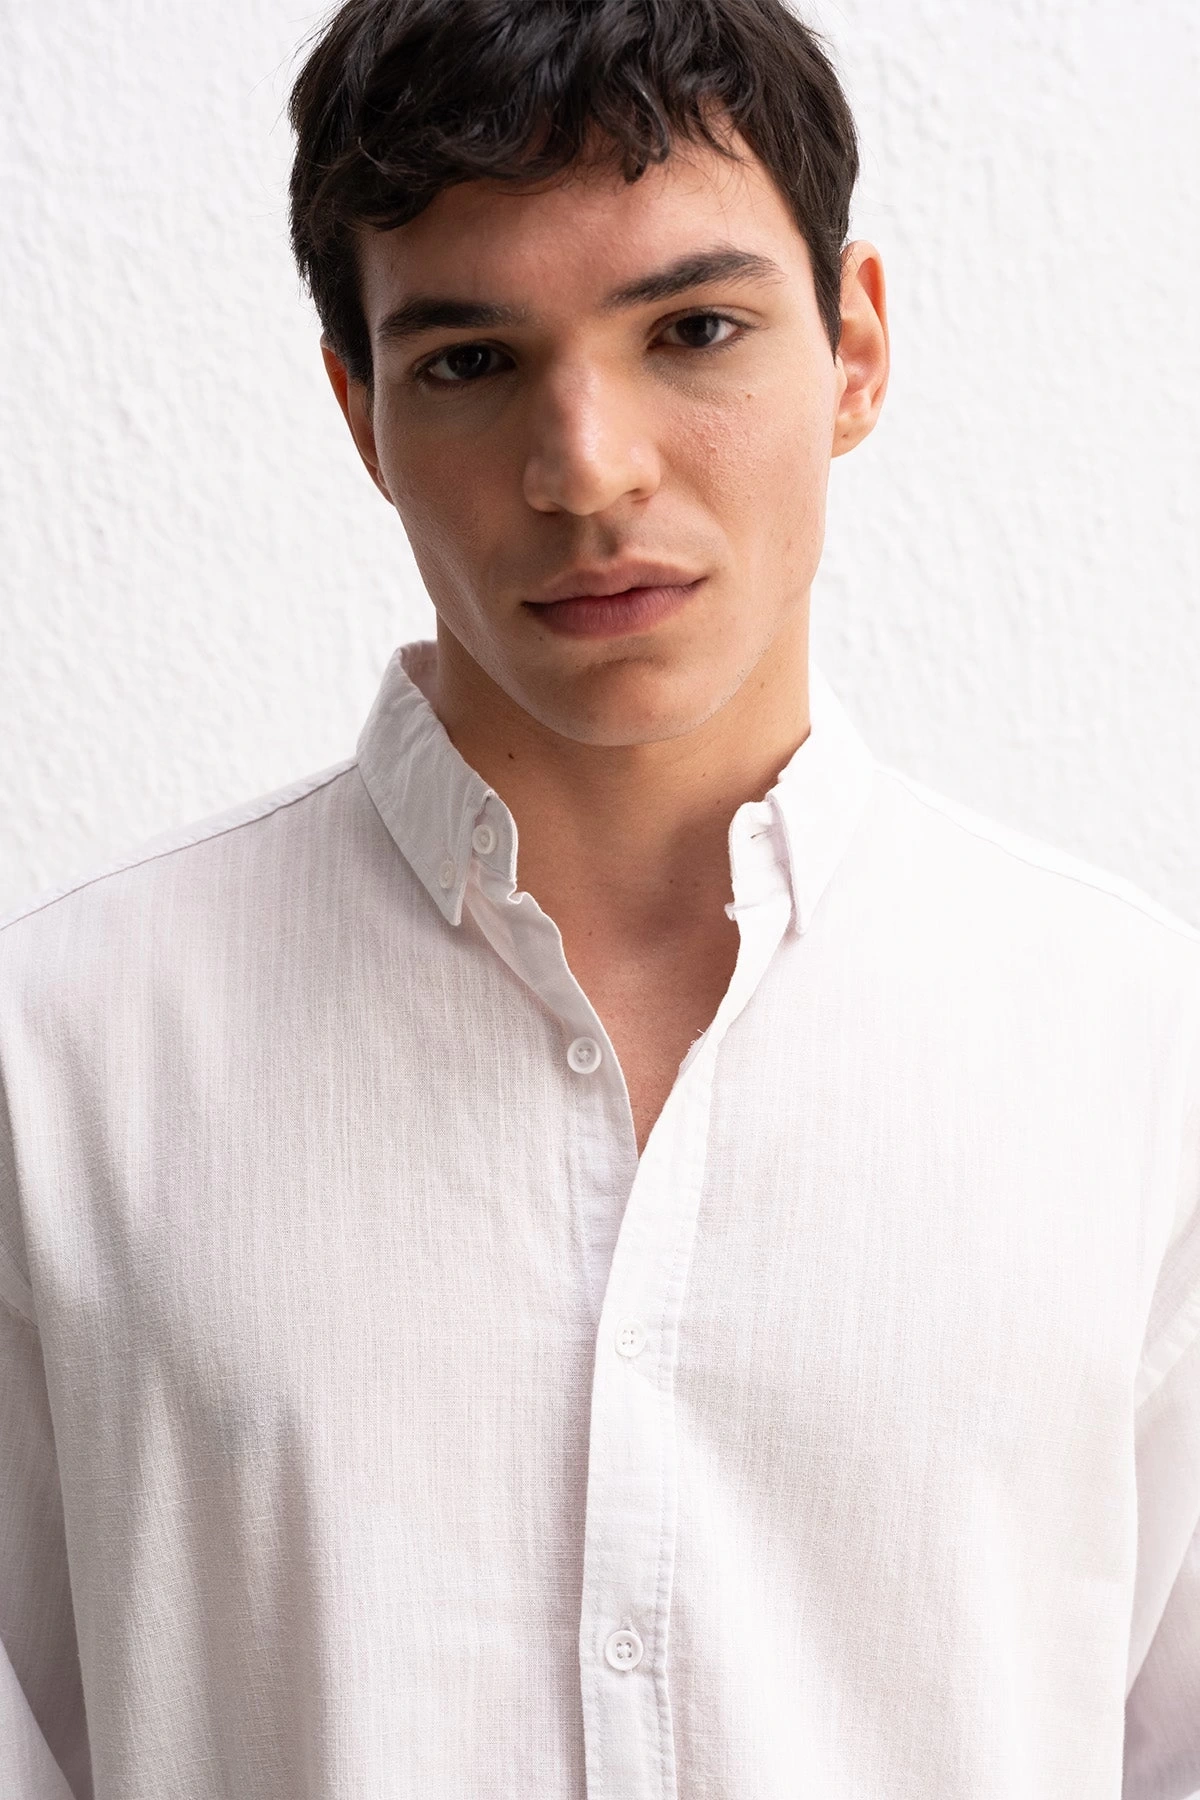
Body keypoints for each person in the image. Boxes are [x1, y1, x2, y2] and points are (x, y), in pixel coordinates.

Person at [1, 0, 1196, 1793]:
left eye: (694, 329)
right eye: (471, 361)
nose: (585, 466)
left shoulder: (1140, 1058)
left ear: (855, 351)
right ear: (361, 413)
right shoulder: (57, 1058)